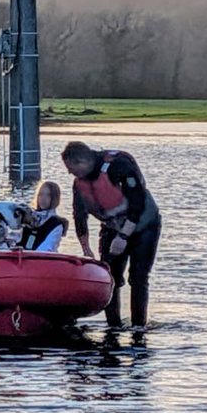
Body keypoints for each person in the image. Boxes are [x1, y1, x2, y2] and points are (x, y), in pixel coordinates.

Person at [62, 141, 161, 329]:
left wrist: (123, 237)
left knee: (138, 277)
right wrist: (86, 248)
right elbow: (79, 214)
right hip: (112, 226)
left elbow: (137, 202)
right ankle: (114, 326)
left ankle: (139, 326)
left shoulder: (119, 166)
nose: (70, 173)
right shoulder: (79, 184)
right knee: (111, 276)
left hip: (144, 224)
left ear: (82, 161)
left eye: (71, 168)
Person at [19, 180, 68, 252]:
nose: (43, 198)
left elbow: (47, 248)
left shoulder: (56, 224)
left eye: (48, 195)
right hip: (21, 258)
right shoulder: (28, 218)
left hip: (42, 260)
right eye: (41, 194)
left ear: (55, 198)